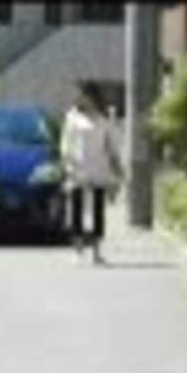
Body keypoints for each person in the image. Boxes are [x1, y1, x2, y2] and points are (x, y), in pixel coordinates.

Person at [60, 82, 125, 263]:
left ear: (91, 96)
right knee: (77, 209)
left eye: (82, 95)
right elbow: (65, 143)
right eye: (78, 95)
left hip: (98, 168)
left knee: (98, 211)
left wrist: (118, 169)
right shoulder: (72, 117)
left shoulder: (104, 119)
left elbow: (112, 146)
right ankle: (78, 249)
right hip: (77, 168)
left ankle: (97, 250)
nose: (79, 98)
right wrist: (67, 163)